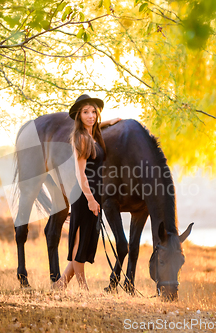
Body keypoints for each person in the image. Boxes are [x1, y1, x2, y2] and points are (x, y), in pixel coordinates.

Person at [53, 94, 120, 291]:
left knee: (85, 241)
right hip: (83, 193)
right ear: (79, 116)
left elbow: (96, 125)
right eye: (85, 112)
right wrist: (90, 199)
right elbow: (79, 173)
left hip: (93, 192)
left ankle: (60, 284)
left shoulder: (93, 134)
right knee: (80, 241)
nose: (90, 116)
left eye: (93, 112)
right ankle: (84, 290)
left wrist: (110, 122)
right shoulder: (81, 138)